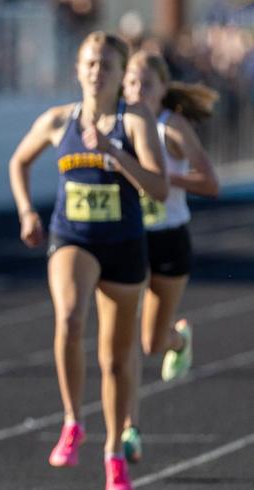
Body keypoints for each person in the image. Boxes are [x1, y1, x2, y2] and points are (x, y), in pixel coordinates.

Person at [8, 32, 167, 490]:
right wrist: (26, 212)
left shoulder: (133, 120)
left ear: (122, 75)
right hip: (71, 238)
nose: (98, 72)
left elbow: (158, 188)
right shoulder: (60, 120)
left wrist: (114, 154)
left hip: (123, 246)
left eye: (107, 66)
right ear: (78, 69)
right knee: (70, 316)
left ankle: (115, 452)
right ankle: (74, 421)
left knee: (116, 360)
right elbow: (19, 162)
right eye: (91, 63)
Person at [119, 50, 220, 463]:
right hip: (127, 238)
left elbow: (210, 183)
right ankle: (129, 429)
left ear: (163, 88)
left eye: (146, 84)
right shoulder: (118, 124)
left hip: (169, 238)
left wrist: (160, 177)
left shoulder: (171, 127)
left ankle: (178, 338)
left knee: (151, 342)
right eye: (130, 83)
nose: (137, 91)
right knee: (121, 339)